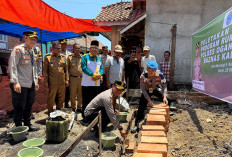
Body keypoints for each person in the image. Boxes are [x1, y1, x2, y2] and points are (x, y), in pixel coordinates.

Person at [9, 31, 40, 131]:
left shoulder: (32, 51)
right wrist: (15, 82)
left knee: (28, 106)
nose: (33, 41)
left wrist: (35, 81)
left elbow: (34, 68)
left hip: (30, 84)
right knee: (19, 106)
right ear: (24, 38)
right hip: (20, 83)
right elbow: (13, 66)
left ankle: (27, 124)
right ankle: (18, 127)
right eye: (31, 38)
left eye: (35, 39)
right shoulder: (18, 50)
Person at [131, 60, 168, 133]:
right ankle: (136, 124)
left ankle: (167, 115)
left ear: (156, 70)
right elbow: (143, 90)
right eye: (149, 70)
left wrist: (164, 97)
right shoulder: (143, 76)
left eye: (152, 71)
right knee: (141, 107)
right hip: (146, 90)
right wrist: (149, 101)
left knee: (167, 101)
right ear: (146, 69)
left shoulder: (160, 74)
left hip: (155, 89)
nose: (150, 72)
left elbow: (164, 86)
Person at [43, 41, 69, 115]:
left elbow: (66, 70)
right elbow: (45, 70)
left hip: (62, 82)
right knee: (51, 99)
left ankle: (59, 112)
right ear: (53, 48)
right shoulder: (47, 57)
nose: (59, 50)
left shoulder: (63, 58)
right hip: (52, 82)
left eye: (60, 48)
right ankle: (50, 113)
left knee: (61, 98)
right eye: (57, 48)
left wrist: (67, 80)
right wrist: (46, 81)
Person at [81, 40, 103, 122]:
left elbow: (101, 68)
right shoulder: (85, 57)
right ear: (90, 48)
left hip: (96, 84)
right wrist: (93, 75)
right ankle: (85, 118)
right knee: (86, 101)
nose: (94, 50)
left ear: (98, 49)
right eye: (92, 48)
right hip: (87, 84)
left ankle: (92, 117)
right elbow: (84, 68)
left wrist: (99, 75)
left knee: (94, 102)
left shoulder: (98, 58)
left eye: (96, 48)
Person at [67, 43, 82, 112]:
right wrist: (67, 79)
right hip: (72, 78)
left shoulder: (83, 58)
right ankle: (73, 107)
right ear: (73, 49)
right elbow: (67, 69)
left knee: (80, 94)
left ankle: (79, 107)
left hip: (81, 79)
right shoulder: (69, 57)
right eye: (76, 48)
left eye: (79, 48)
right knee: (72, 94)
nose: (77, 50)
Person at [59, 39, 72, 108]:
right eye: (62, 44)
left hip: (68, 75)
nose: (64, 45)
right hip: (60, 75)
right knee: (60, 91)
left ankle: (66, 104)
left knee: (67, 91)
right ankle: (59, 105)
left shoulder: (69, 54)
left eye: (65, 44)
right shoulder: (57, 53)